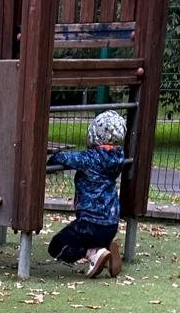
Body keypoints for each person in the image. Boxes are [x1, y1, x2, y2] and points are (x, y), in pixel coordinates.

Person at [46, 108, 127, 278]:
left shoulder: (89, 159)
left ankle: (93, 253)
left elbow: (63, 158)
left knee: (56, 247)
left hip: (89, 224)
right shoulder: (119, 157)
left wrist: (51, 162)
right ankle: (104, 246)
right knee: (95, 235)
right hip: (112, 224)